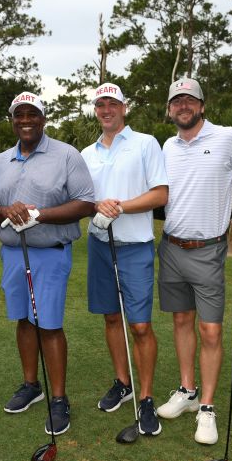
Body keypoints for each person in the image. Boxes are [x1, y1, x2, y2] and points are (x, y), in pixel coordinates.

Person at [156, 77, 232, 444]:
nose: (183, 106)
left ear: (202, 105)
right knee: (182, 319)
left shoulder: (227, 138)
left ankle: (206, 407)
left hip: (208, 250)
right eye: (176, 101)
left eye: (190, 100)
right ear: (170, 109)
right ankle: (187, 391)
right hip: (170, 248)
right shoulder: (166, 147)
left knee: (211, 329)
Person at [0, 92, 94, 436]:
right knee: (24, 320)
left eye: (32, 115)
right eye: (19, 115)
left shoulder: (66, 155)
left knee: (49, 324)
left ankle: (58, 398)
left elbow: (85, 203)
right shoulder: (0, 161)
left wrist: (37, 214)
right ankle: (32, 384)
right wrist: (7, 211)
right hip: (13, 253)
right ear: (13, 120)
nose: (25, 120)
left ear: (43, 119)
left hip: (50, 252)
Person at [80, 83, 168, 436]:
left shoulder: (145, 144)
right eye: (100, 104)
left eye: (112, 103)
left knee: (140, 325)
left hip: (135, 245)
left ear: (124, 108)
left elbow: (161, 193)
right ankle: (123, 381)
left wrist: (121, 206)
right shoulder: (86, 153)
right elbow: (83, 199)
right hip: (100, 243)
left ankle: (145, 397)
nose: (106, 110)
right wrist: (95, 207)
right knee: (111, 317)